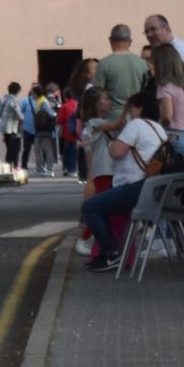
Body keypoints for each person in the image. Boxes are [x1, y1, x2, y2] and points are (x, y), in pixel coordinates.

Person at [82, 88, 170, 272]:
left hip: (134, 187)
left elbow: (116, 152)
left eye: (131, 109)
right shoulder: (159, 129)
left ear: (139, 108)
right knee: (102, 208)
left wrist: (113, 144)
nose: (129, 113)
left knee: (90, 207)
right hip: (151, 189)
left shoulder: (136, 125)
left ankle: (112, 254)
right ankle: (107, 255)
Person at [74, 87, 116, 256]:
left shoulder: (94, 124)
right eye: (106, 99)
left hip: (104, 171)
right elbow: (117, 125)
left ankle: (95, 240)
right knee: (103, 208)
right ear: (96, 105)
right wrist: (127, 109)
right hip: (104, 171)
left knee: (105, 208)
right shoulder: (95, 123)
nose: (109, 102)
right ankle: (86, 239)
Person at [150, 42, 184, 169]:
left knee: (169, 179)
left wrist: (158, 124)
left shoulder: (164, 86)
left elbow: (167, 115)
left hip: (173, 137)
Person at [97, 25, 146, 121]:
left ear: (110, 40)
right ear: (130, 41)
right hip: (137, 115)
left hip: (112, 117)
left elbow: (97, 94)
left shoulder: (104, 64)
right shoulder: (142, 63)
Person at [31, 84, 60, 176]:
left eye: (33, 93)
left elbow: (51, 114)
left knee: (47, 149)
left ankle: (49, 169)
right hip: (38, 129)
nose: (32, 95)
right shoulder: (39, 101)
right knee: (37, 149)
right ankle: (39, 169)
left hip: (45, 129)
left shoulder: (44, 101)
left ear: (36, 93)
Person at [0, 81, 25, 171]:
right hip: (12, 128)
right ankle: (12, 167)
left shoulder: (5, 99)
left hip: (5, 128)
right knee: (14, 149)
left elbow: (0, 113)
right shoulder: (14, 100)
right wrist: (24, 118)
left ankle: (9, 167)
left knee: (9, 149)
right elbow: (19, 114)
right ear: (17, 91)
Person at [58, 86, 80, 179]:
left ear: (64, 96)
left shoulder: (64, 106)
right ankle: (73, 169)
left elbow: (60, 120)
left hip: (66, 132)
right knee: (74, 152)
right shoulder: (77, 104)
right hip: (77, 131)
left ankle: (66, 169)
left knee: (66, 151)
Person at [20, 84, 39, 175]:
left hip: (37, 129)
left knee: (38, 149)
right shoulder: (25, 101)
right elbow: (20, 112)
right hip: (27, 129)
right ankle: (24, 165)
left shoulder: (42, 101)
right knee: (26, 149)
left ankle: (39, 166)